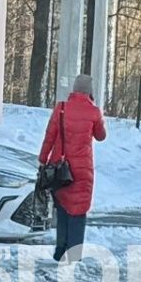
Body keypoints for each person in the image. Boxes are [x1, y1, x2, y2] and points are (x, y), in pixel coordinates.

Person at [38, 75, 107, 263]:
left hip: (59, 167)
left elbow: (49, 136)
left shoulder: (61, 109)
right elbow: (101, 136)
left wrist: (43, 159)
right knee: (78, 211)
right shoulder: (94, 112)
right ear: (89, 91)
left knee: (62, 209)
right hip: (82, 169)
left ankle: (60, 249)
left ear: (74, 89)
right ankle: (75, 254)